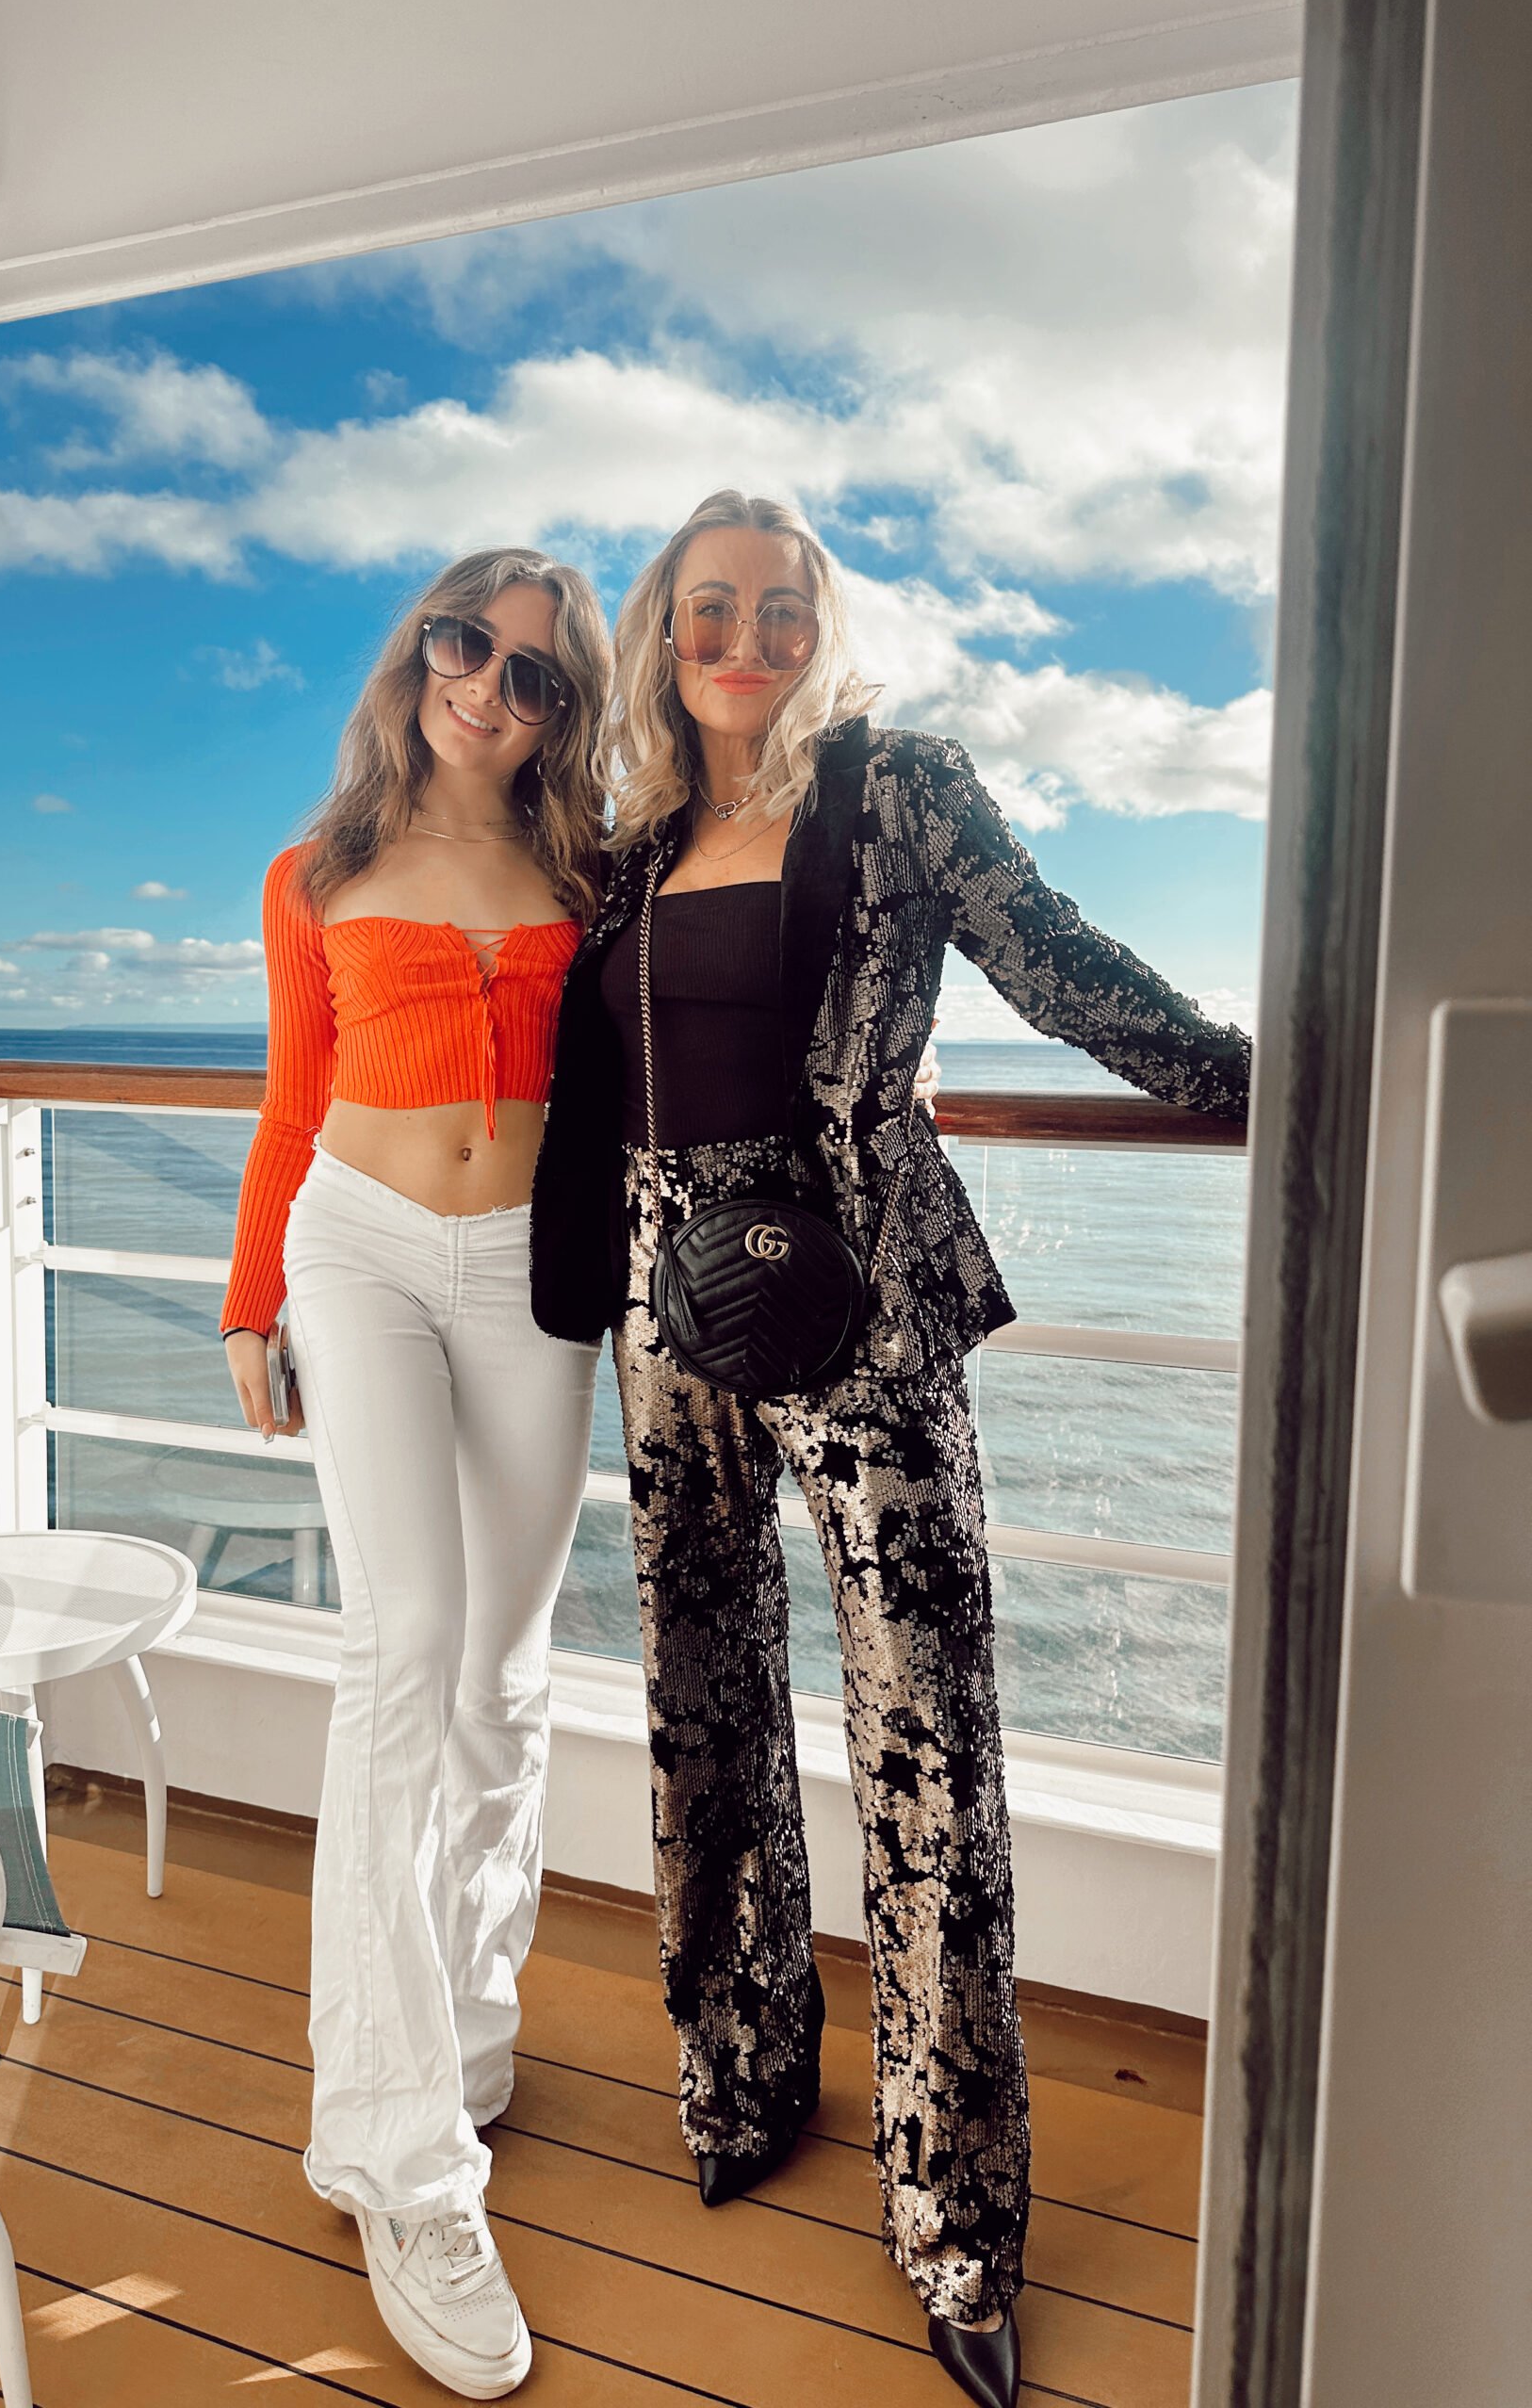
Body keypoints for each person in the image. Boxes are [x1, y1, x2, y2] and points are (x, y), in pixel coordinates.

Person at [529, 491, 1251, 2408]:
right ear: (659, 631)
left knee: (926, 1741)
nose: (742, 638)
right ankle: (746, 2073)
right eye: (708, 608)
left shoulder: (903, 784)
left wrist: (1269, 1077)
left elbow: (1058, 956)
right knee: (706, 1711)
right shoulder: (629, 842)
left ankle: (955, 2215)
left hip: (864, 1297)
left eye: (777, 608)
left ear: (818, 627)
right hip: (667, 1308)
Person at [220, 548, 611, 2400]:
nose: (488, 685)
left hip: (535, 1274)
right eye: (466, 644)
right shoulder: (318, 872)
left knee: (499, 1673)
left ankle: (460, 2008)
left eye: (533, 673)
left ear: (561, 707)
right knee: (408, 1648)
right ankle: (398, 2152)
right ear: (417, 652)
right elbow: (295, 1099)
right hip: (359, 1246)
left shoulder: (588, 873)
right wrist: (249, 1298)